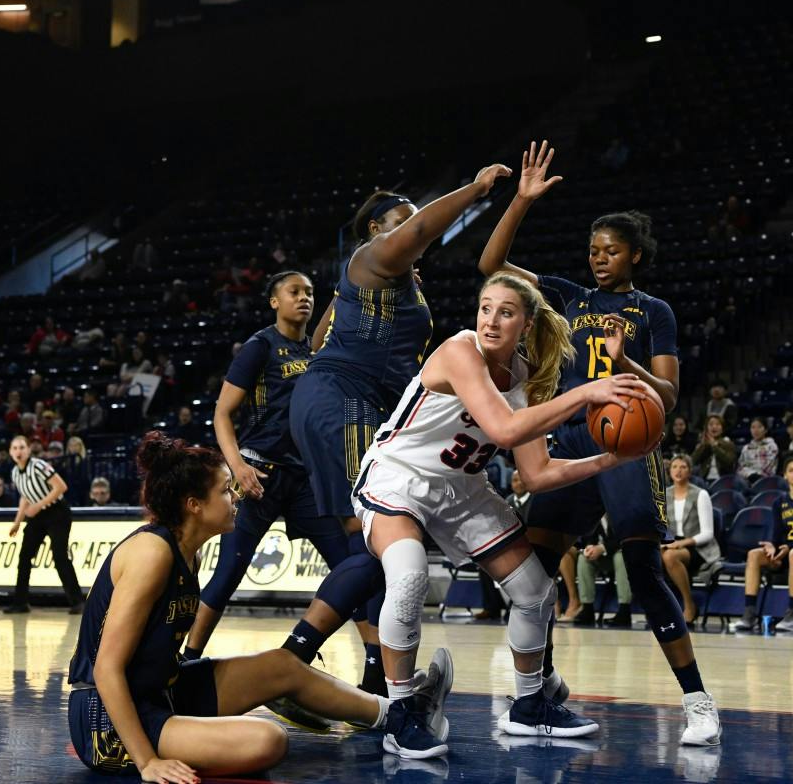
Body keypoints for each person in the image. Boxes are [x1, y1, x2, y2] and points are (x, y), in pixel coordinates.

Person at [477, 141, 721, 747]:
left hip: (630, 440)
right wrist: (522, 201)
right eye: (593, 251)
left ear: (635, 255)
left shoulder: (654, 310)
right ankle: (540, 690)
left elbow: (667, 394)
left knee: (642, 565)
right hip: (570, 436)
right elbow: (492, 263)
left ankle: (697, 701)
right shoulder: (570, 297)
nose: (599, 259)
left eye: (611, 251)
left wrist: (625, 363)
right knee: (533, 569)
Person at [353, 272, 651, 750]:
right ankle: (402, 710)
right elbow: (504, 429)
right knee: (408, 577)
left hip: (462, 488)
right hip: (399, 476)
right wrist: (587, 393)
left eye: (505, 312)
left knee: (536, 591)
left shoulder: (528, 381)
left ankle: (529, 707)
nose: (491, 320)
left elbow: (536, 474)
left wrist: (611, 458)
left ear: (526, 324)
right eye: (485, 307)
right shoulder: (458, 350)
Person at [67, 432, 454, 778]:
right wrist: (147, 761)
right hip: (107, 720)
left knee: (280, 665)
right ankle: (162, 745)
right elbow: (106, 668)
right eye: (223, 490)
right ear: (193, 505)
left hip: (161, 691)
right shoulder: (151, 554)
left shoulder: (187, 552)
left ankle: (399, 715)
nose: (235, 496)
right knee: (268, 740)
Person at [284, 165, 513, 694]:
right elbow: (417, 233)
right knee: (379, 537)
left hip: (347, 399)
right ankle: (304, 664)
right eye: (401, 220)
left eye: (413, 218)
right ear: (374, 230)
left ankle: (366, 676)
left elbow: (327, 331)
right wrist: (477, 190)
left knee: (375, 540)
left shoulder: (388, 282)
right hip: (345, 401)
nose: (415, 228)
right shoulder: (372, 257)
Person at [184, 272, 350, 672]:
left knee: (350, 568)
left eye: (310, 293)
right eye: (294, 292)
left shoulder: (315, 352)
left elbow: (333, 317)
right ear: (274, 301)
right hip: (257, 473)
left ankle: (376, 669)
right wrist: (237, 466)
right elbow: (222, 414)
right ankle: (186, 662)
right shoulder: (260, 347)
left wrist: (346, 291)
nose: (304, 298)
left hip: (305, 480)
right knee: (228, 573)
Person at [730, 456, 793, 634]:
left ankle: (792, 613)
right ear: (785, 475)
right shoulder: (779, 502)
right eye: (791, 470)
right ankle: (749, 613)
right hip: (787, 552)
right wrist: (772, 547)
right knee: (754, 554)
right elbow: (776, 535)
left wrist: (788, 548)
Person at [4, 435, 84, 614]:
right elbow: (25, 496)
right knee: (24, 557)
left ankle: (78, 602)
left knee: (60, 557)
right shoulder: (15, 472)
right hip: (37, 516)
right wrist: (17, 523)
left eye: (22, 447)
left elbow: (61, 487)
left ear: (29, 449)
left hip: (57, 513)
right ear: (10, 452)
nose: (19, 451)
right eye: (15, 448)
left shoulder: (39, 465)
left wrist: (38, 506)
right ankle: (20, 602)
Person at [662, 454, 719, 625]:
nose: (678, 471)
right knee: (651, 556)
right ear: (669, 471)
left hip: (697, 545)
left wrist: (680, 544)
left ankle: (689, 605)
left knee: (670, 557)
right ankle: (662, 609)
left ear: (690, 470)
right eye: (675, 467)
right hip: (671, 542)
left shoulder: (700, 494)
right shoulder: (663, 494)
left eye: (683, 467)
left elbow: (708, 533)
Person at [476, 470, 532, 622]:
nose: (518, 483)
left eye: (521, 480)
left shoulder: (535, 500)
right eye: (514, 480)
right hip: (508, 544)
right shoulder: (507, 500)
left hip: (529, 545)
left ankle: (515, 606)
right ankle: (492, 607)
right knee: (485, 563)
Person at [573, 515, 633, 627]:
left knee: (621, 557)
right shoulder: (594, 510)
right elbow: (588, 534)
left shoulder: (620, 509)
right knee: (583, 558)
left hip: (622, 552)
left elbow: (624, 537)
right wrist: (589, 547)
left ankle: (624, 610)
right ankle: (587, 608)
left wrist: (602, 548)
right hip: (604, 556)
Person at [691, 414, 737, 481]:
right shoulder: (703, 445)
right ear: (706, 429)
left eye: (718, 424)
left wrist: (714, 446)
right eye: (711, 424)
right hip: (705, 480)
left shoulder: (728, 444)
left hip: (723, 480)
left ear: (722, 429)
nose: (714, 427)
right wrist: (702, 445)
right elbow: (693, 461)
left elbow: (729, 462)